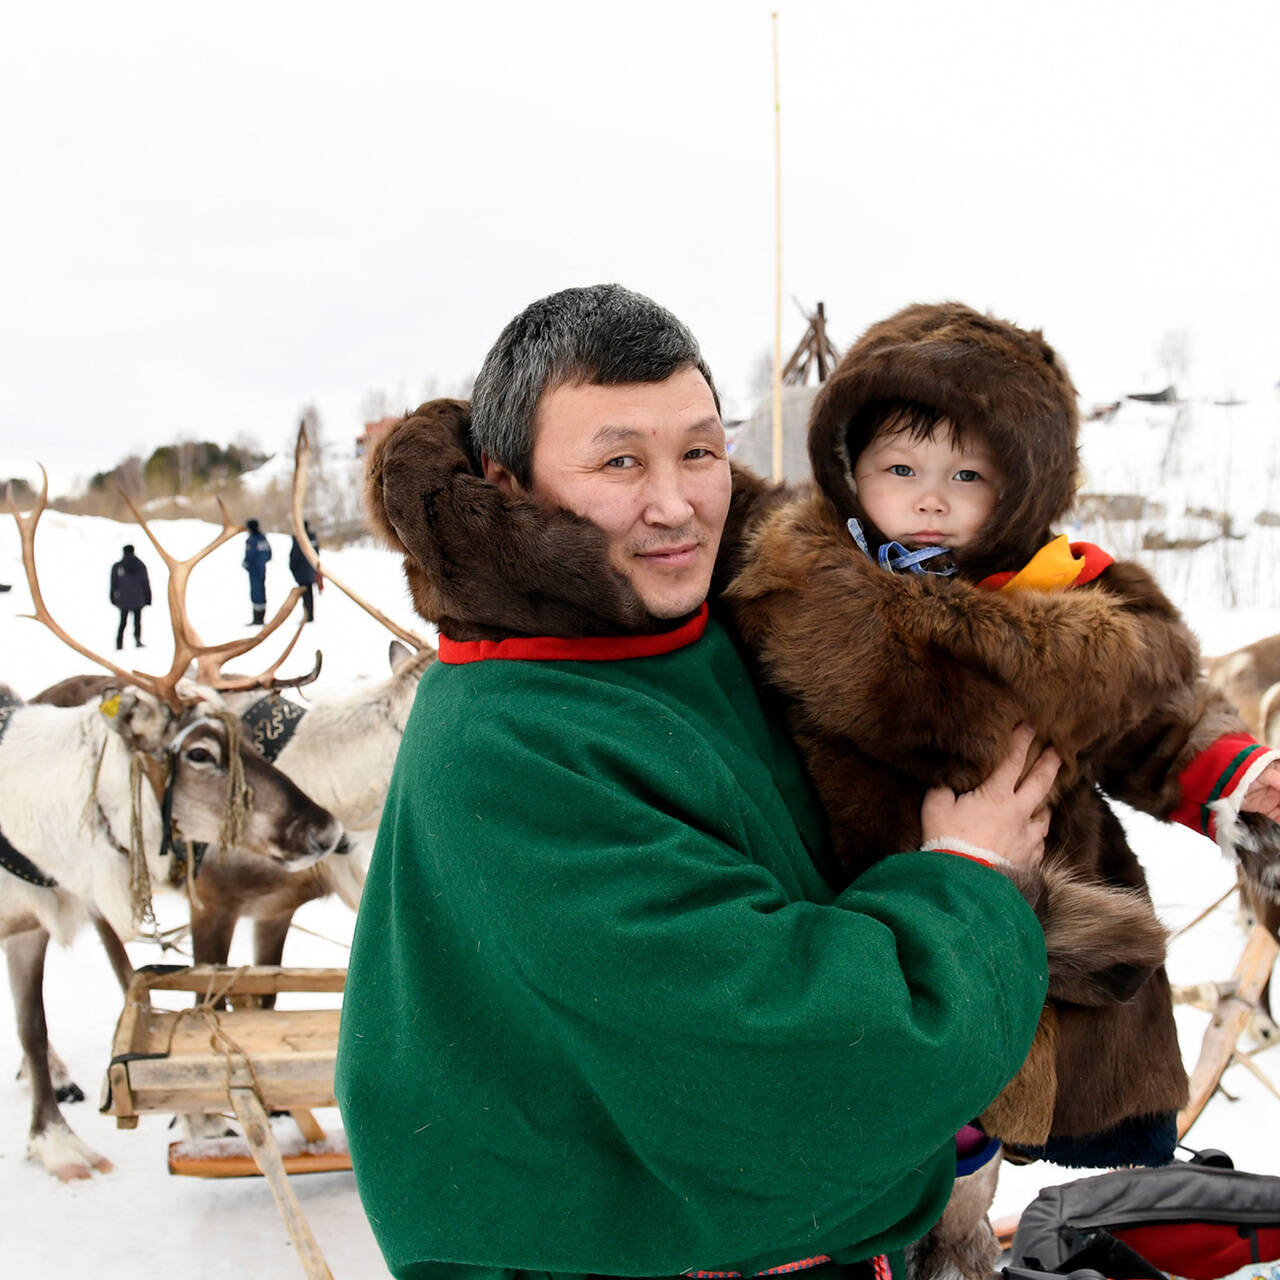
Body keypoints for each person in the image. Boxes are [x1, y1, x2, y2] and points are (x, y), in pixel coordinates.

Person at [337, 284, 1058, 1280]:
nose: (674, 503)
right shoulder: (514, 738)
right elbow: (796, 1068)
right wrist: (970, 878)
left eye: (699, 451)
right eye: (619, 460)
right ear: (508, 483)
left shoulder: (735, 627)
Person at [722, 301, 1280, 1170]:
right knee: (887, 1126)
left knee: (980, 1130)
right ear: (845, 468)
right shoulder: (790, 580)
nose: (932, 498)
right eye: (900, 467)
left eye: (970, 476)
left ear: (1025, 488)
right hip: (856, 924)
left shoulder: (1067, 604)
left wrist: (1239, 781)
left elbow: (1158, 722)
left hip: (1036, 938)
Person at [108, 542, 151, 649]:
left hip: (123, 600)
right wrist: (148, 598)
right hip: (138, 598)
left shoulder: (118, 566)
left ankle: (119, 643)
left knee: (123, 622)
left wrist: (113, 598)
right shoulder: (140, 565)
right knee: (137, 621)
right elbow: (145, 582)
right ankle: (137, 640)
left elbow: (113, 583)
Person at [288, 520, 323, 622]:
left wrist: (292, 568)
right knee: (310, 593)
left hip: (302, 571)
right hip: (311, 570)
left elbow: (294, 556)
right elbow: (317, 552)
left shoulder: (299, 538)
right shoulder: (312, 537)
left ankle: (308, 615)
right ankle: (310, 615)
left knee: (306, 594)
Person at [241, 517, 271, 625]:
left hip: (254, 570)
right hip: (262, 568)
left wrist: (246, 564)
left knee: (256, 592)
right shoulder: (263, 538)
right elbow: (269, 554)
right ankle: (261, 616)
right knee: (261, 591)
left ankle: (257, 619)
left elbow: (250, 555)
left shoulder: (252, 539)